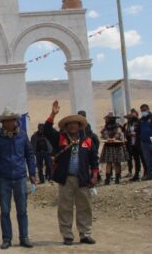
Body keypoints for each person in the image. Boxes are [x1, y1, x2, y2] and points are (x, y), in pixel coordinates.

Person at [45, 101, 98, 246]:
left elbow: (94, 159)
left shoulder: (88, 141)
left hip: (83, 179)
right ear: (66, 127)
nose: (72, 126)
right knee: (65, 207)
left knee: (85, 206)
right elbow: (47, 130)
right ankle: (67, 235)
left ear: (79, 126)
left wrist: (94, 175)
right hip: (65, 179)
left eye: (75, 123)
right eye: (69, 124)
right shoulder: (60, 139)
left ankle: (85, 234)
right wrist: (53, 114)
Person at [0, 108, 37, 249]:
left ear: (15, 121)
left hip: (21, 177)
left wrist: (32, 173)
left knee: (22, 210)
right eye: (7, 120)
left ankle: (24, 237)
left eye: (12, 120)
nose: (10, 122)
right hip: (3, 179)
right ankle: (7, 239)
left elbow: (29, 154)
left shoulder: (22, 136)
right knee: (4, 211)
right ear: (2, 122)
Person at [99, 113, 128, 185]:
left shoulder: (117, 126)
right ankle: (108, 179)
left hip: (116, 145)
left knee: (117, 162)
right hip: (109, 145)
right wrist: (108, 138)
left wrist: (113, 138)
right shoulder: (106, 126)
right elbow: (103, 133)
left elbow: (119, 133)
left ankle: (117, 178)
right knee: (109, 162)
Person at [123, 109, 145, 181]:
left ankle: (145, 172)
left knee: (143, 158)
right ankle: (137, 174)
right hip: (132, 143)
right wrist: (128, 134)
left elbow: (141, 131)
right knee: (136, 159)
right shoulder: (129, 124)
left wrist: (136, 134)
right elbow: (126, 132)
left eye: (133, 114)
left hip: (139, 143)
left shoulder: (139, 122)